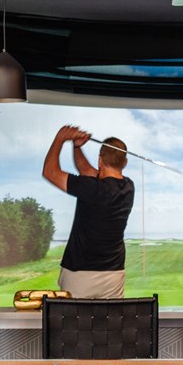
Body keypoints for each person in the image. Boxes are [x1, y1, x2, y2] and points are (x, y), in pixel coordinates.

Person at [42, 124, 135, 299]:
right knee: (110, 325)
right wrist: (77, 147)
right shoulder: (128, 186)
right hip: (114, 274)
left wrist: (60, 139)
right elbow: (86, 171)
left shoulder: (91, 188)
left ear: (100, 160)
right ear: (125, 163)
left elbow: (50, 172)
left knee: (73, 325)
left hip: (80, 273)